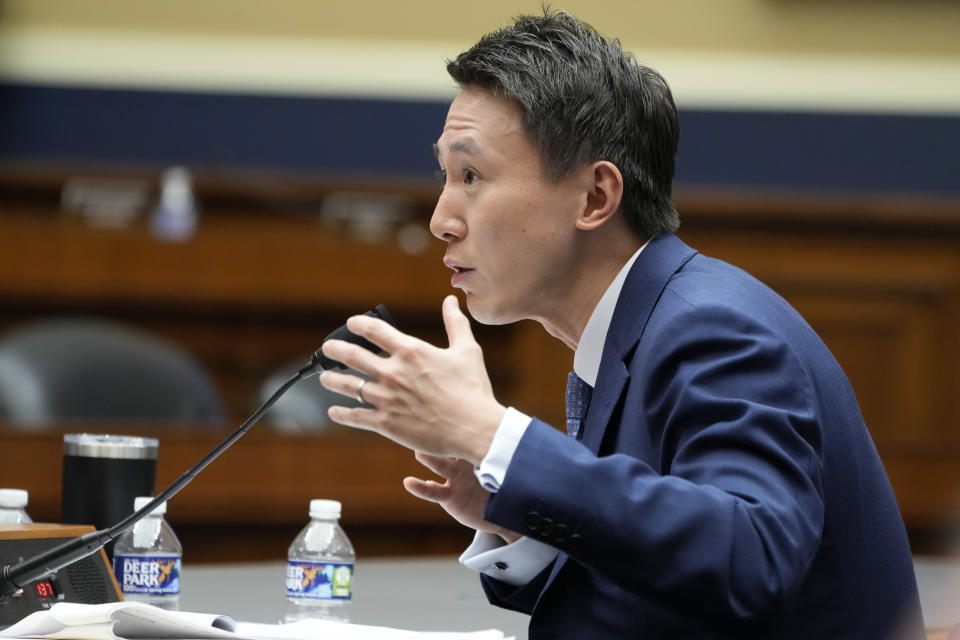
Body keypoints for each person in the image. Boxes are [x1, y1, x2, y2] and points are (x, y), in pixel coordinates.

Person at [318, 10, 925, 638]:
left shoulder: (711, 328)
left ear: (595, 198)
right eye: (444, 176)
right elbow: (663, 592)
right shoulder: (632, 328)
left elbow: (751, 563)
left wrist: (494, 434)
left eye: (471, 176)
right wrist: (515, 516)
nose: (441, 218)